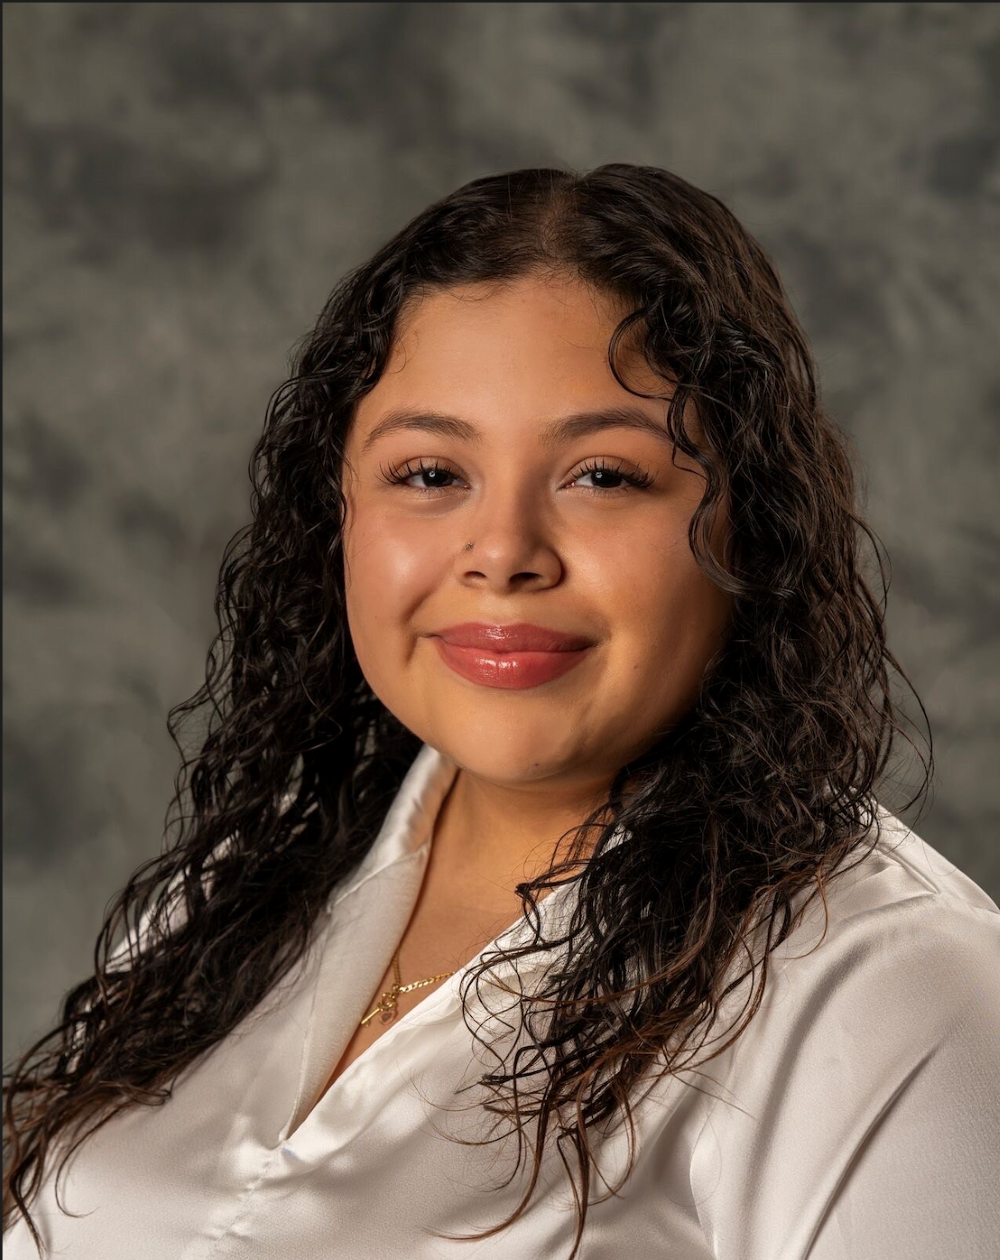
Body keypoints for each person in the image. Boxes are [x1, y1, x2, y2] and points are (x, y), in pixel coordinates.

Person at [4, 164, 998, 1260]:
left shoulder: (895, 991)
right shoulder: (225, 905)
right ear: (334, 515)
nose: (503, 554)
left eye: (604, 477)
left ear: (747, 527)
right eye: (430, 473)